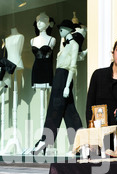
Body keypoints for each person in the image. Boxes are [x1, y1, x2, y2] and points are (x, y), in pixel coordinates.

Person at [33, 20, 83, 155]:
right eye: (60, 28)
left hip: (64, 78)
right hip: (59, 76)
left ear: (69, 29)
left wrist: (67, 86)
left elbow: (72, 66)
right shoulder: (64, 45)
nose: (60, 30)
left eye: (62, 28)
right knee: (69, 111)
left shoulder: (73, 44)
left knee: (54, 108)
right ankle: (79, 143)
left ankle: (45, 140)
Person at [85, 36, 117, 154]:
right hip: (99, 139)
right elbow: (89, 105)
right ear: (113, 52)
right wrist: (91, 133)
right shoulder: (98, 75)